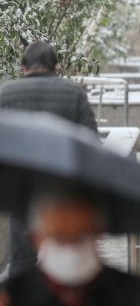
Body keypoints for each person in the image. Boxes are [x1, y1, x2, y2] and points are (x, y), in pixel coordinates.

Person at [0, 188, 140, 306]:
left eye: (81, 236)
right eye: (60, 237)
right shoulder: (10, 299)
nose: (71, 247)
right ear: (38, 238)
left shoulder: (134, 295)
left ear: (99, 232)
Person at [0, 42, 98, 277]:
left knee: (22, 260)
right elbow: (90, 140)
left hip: (20, 187)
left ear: (23, 67)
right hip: (62, 187)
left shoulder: (6, 94)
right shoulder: (73, 94)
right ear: (56, 66)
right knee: (66, 258)